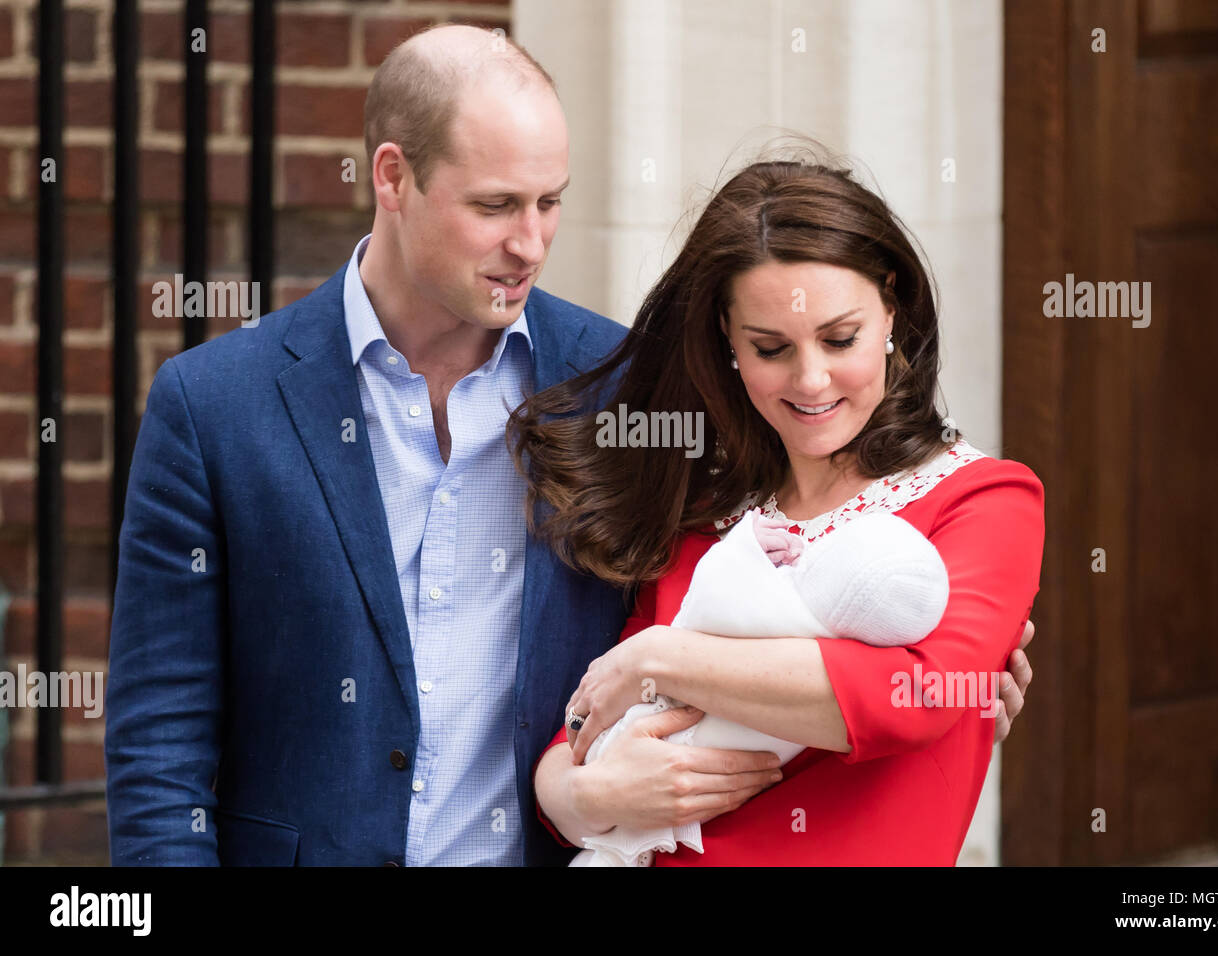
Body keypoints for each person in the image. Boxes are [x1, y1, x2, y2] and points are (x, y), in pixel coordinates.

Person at [104, 23, 1033, 867]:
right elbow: (159, 744)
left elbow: (802, 602)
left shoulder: (622, 387)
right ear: (391, 178)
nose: (532, 242)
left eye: (552, 201)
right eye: (497, 204)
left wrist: (957, 674)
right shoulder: (213, 405)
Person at [515, 158, 1045, 865]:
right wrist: (581, 798)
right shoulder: (707, 508)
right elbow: (594, 712)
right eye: (771, 348)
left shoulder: (984, 500)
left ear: (891, 307)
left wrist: (663, 657)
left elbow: (917, 697)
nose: (811, 379)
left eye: (840, 338)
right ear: (728, 341)